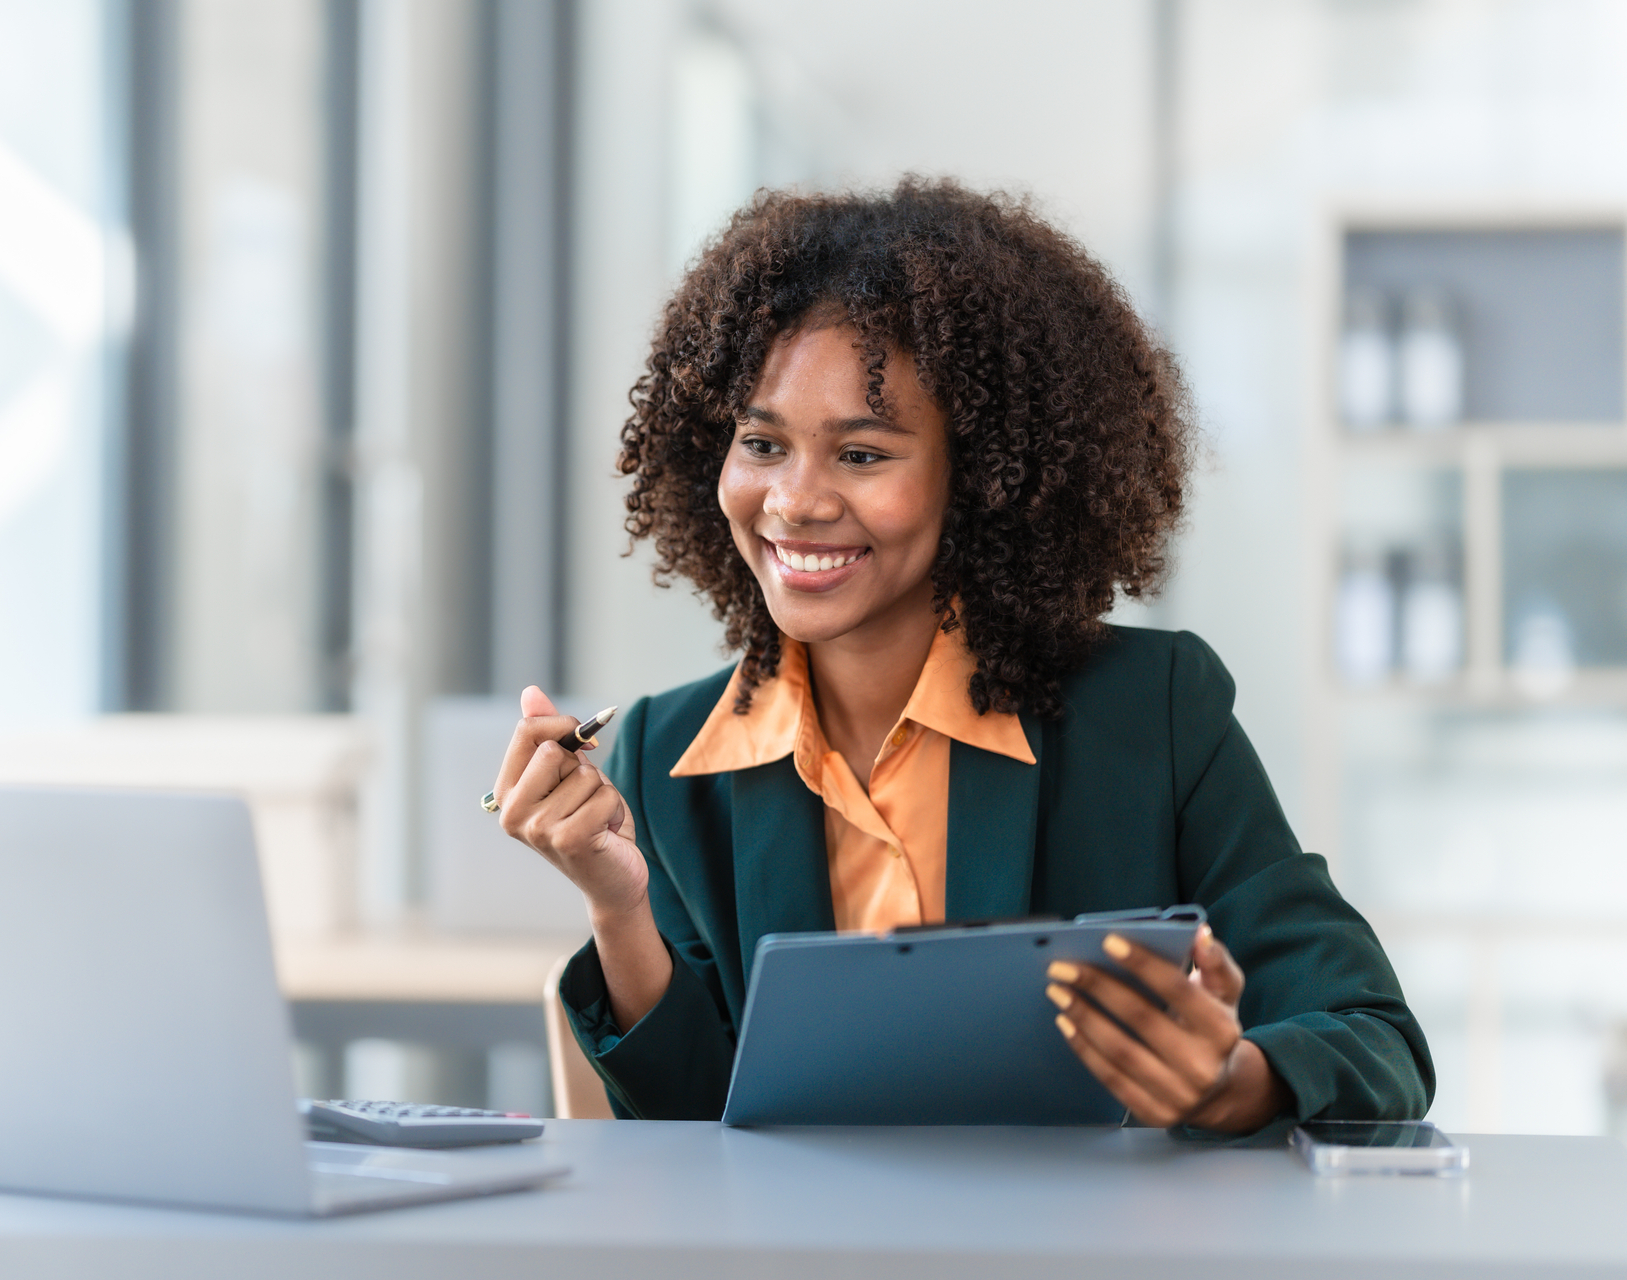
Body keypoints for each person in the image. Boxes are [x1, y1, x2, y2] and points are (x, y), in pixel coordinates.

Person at [492, 178, 1432, 1130]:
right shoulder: (667, 755)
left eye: (862, 455)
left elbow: (1375, 1040)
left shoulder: (1152, 714)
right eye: (762, 442)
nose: (795, 501)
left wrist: (1232, 1081)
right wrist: (618, 908)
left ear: (983, 476)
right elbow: (699, 1127)